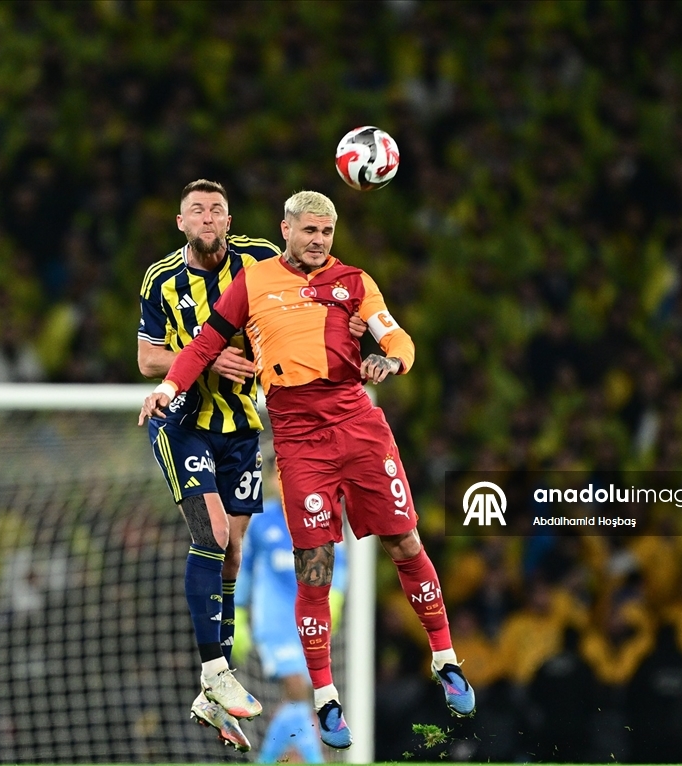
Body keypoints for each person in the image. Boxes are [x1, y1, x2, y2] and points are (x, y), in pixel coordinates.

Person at [139, 190, 476, 751]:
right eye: (309, 230)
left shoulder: (355, 282)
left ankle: (445, 658)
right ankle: (325, 698)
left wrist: (390, 358)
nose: (318, 241)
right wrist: (169, 387)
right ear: (286, 230)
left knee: (405, 541)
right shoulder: (254, 282)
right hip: (297, 438)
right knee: (313, 566)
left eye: (326, 232)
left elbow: (397, 335)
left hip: (359, 424)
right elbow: (202, 346)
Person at [136, 180, 366, 752]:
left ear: (229, 220)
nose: (207, 217)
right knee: (213, 534)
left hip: (240, 425)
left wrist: (351, 324)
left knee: (234, 552)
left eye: (216, 209)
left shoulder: (259, 259)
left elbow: (312, 292)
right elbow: (147, 358)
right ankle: (214, 670)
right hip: (184, 422)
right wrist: (207, 359)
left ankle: (215, 691)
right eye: (196, 210)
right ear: (181, 222)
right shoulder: (161, 279)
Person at [233, 459, 348, 763]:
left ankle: (274, 759)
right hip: (274, 624)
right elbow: (243, 570)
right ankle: (315, 760)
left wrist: (335, 599)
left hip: (309, 624)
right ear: (271, 480)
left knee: (298, 701)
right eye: (280, 476)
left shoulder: (320, 519)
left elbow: (340, 565)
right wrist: (238, 614)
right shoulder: (260, 522)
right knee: (297, 688)